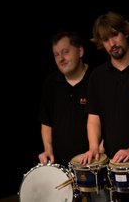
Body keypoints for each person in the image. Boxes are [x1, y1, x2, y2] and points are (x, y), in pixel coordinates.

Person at [81, 11, 129, 200]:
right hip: (111, 166)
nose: (112, 44)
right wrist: (93, 147)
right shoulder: (98, 76)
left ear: (126, 32)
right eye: (105, 39)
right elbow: (93, 119)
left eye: (115, 35)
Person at [38, 31, 91, 166]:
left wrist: (96, 152)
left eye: (65, 52)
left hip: (93, 164)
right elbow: (46, 122)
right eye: (56, 55)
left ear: (80, 51)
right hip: (60, 166)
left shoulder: (96, 79)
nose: (61, 58)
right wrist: (48, 150)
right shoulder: (51, 83)